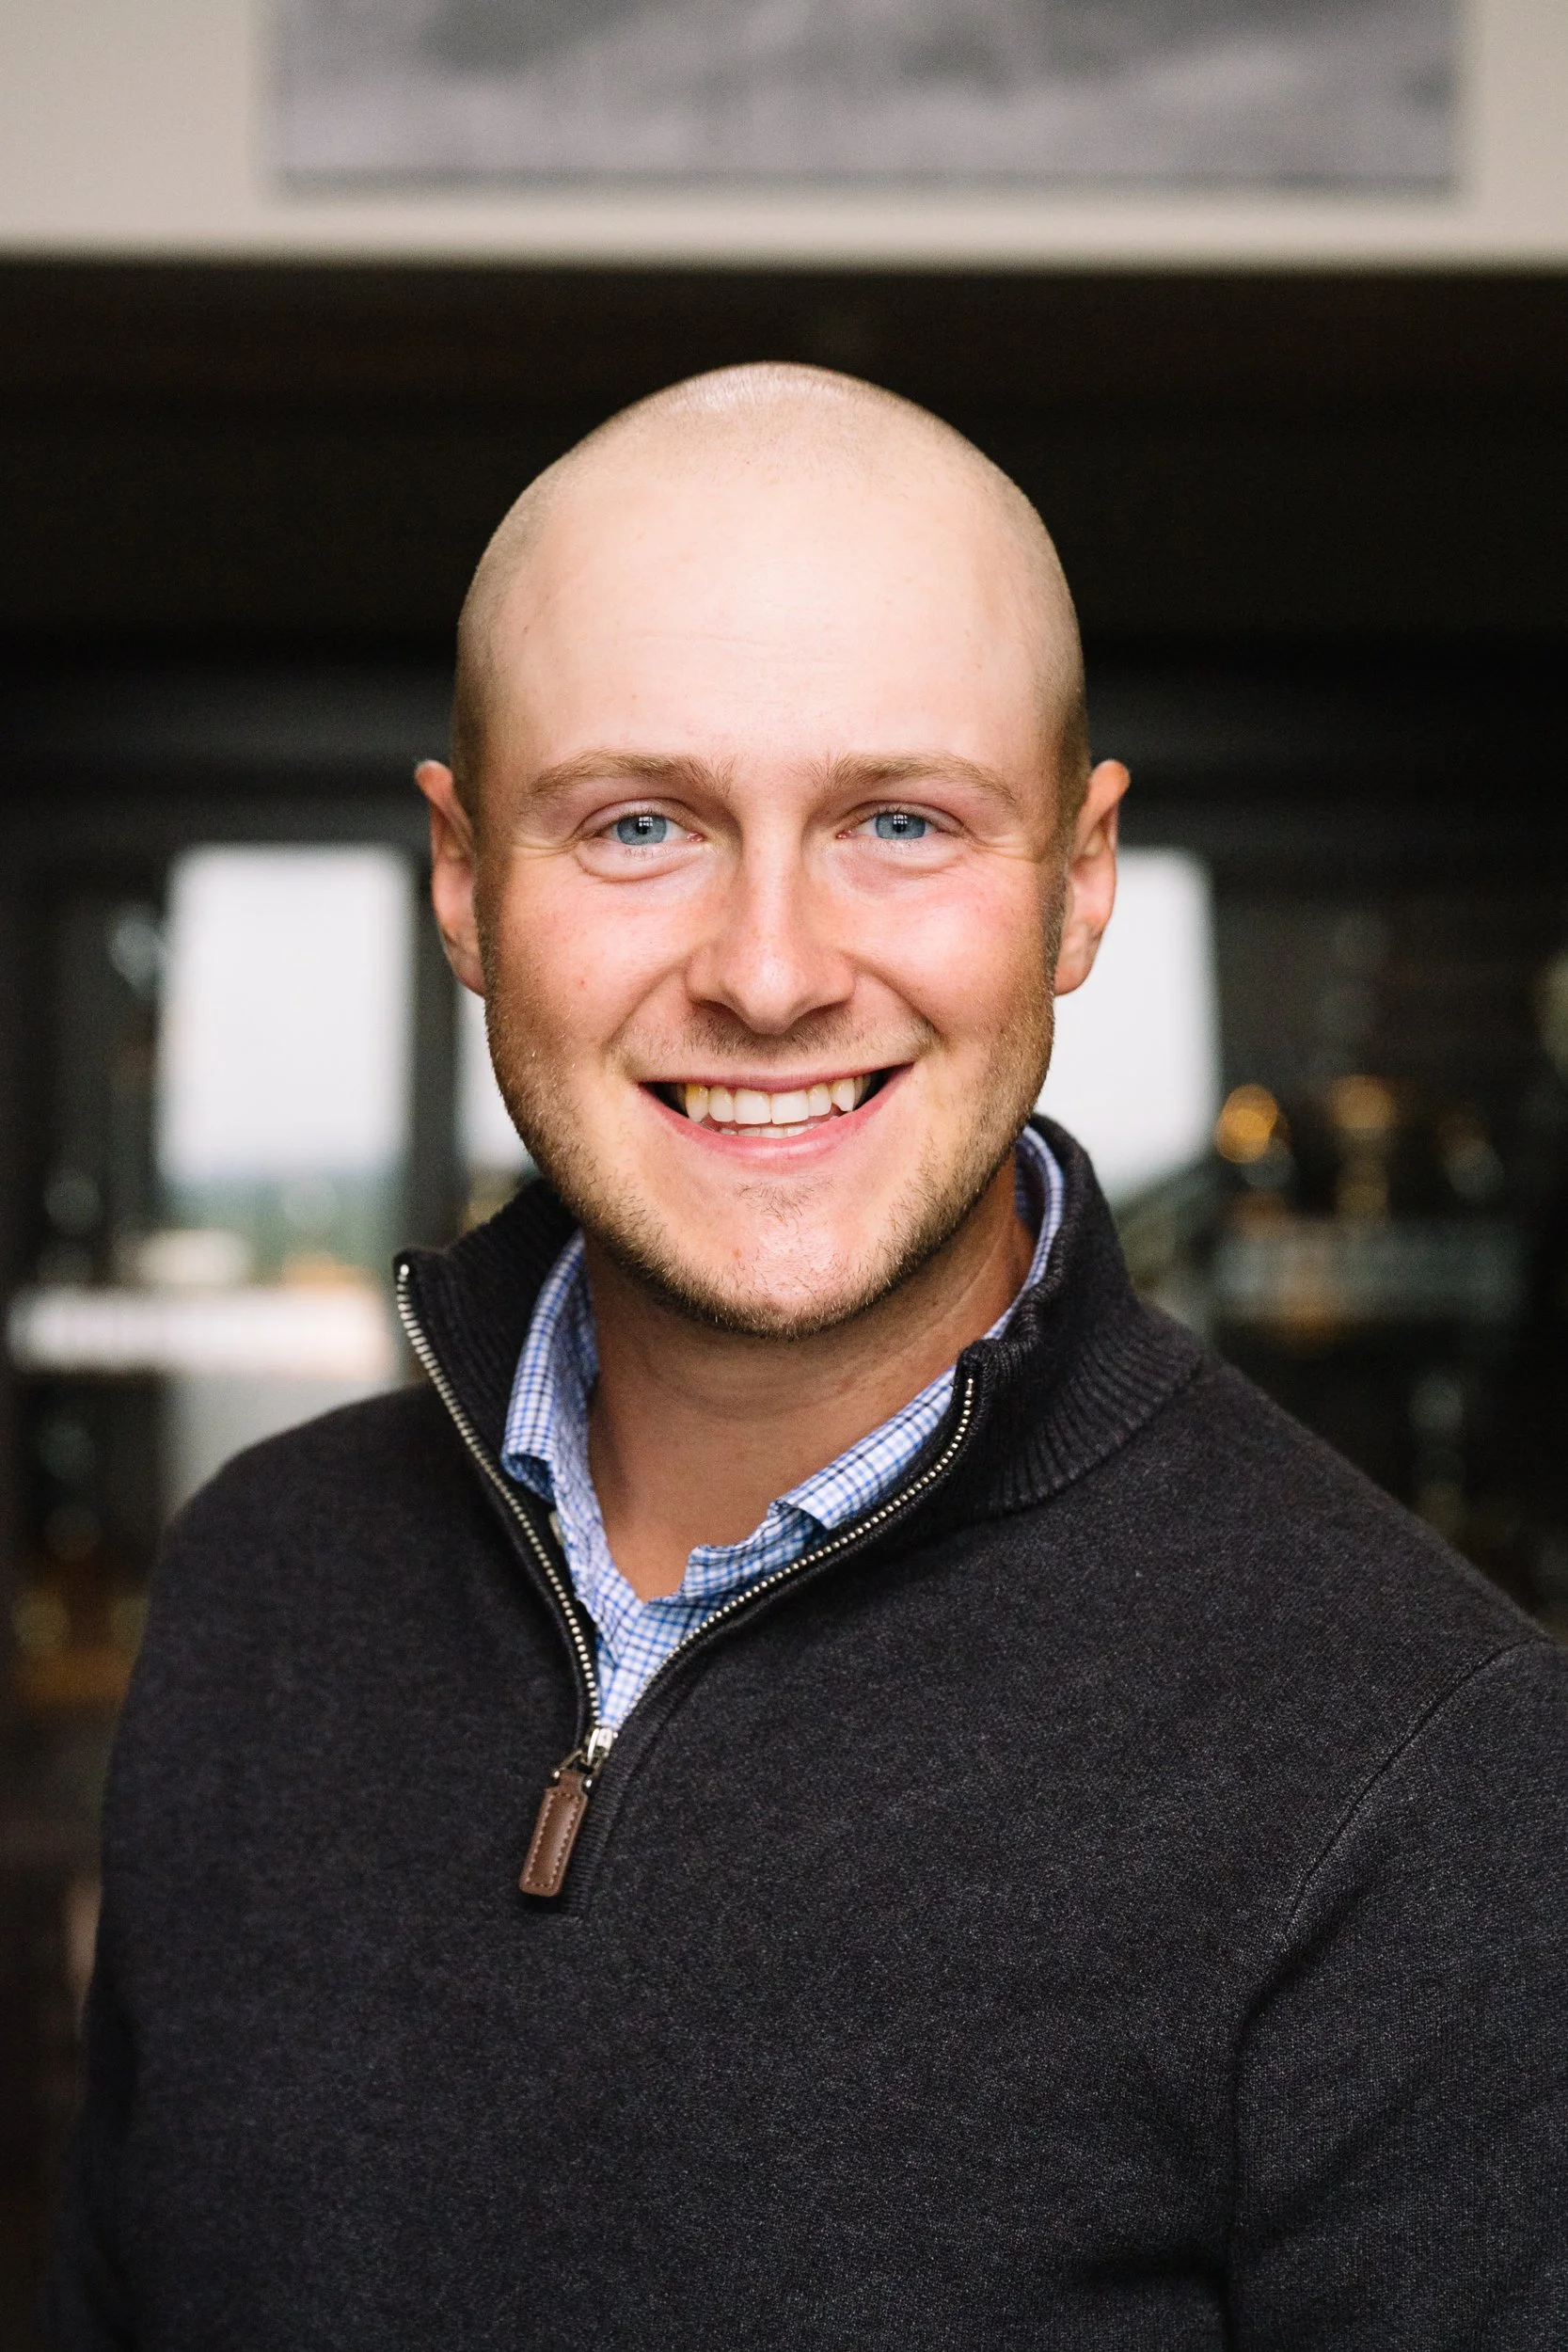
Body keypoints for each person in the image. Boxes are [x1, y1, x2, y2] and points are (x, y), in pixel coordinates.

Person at [54, 365, 1568, 2348]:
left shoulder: (1430, 1760)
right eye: (637, 822)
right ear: (459, 882)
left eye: (901, 817)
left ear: (1079, 880)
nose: (768, 972)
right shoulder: (264, 1576)